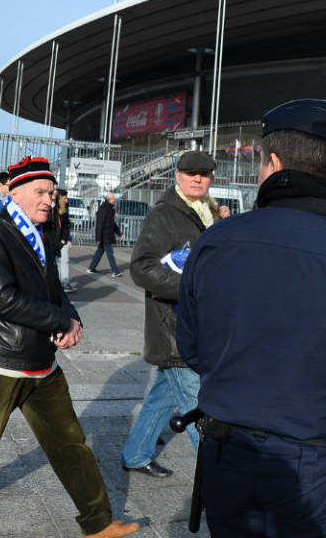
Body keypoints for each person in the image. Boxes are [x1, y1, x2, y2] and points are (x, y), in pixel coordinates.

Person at [176, 99, 326, 536]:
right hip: (314, 460)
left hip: (225, 452)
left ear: (272, 161)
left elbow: (193, 348)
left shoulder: (216, 242)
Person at [0, 156, 140, 538]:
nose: (49, 199)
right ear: (14, 193)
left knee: (70, 442)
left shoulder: (41, 233)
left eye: (52, 192)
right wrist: (58, 321)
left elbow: (53, 287)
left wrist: (73, 319)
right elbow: (1, 297)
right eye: (40, 192)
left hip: (42, 363)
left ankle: (98, 521)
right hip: (4, 360)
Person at [121, 151, 222, 478]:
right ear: (177, 176)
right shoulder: (164, 214)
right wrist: (191, 287)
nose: (198, 179)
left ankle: (136, 454)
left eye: (204, 174)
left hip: (196, 323)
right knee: (198, 405)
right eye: (191, 173)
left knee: (163, 395)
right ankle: (218, 479)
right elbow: (142, 268)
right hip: (173, 325)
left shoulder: (207, 212)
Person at [87, 193, 122, 276]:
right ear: (110, 199)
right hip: (104, 235)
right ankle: (115, 271)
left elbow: (112, 223)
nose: (115, 200)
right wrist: (98, 238)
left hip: (107, 234)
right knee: (110, 253)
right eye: (114, 198)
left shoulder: (110, 208)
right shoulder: (104, 209)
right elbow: (100, 224)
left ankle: (91, 268)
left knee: (99, 252)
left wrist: (119, 233)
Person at [52, 190, 75, 293]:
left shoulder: (65, 209)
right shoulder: (52, 209)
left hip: (63, 240)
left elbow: (67, 225)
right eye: (65, 198)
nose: (67, 200)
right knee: (55, 263)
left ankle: (65, 283)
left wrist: (65, 239)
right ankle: (56, 284)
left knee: (64, 261)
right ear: (60, 198)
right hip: (54, 241)